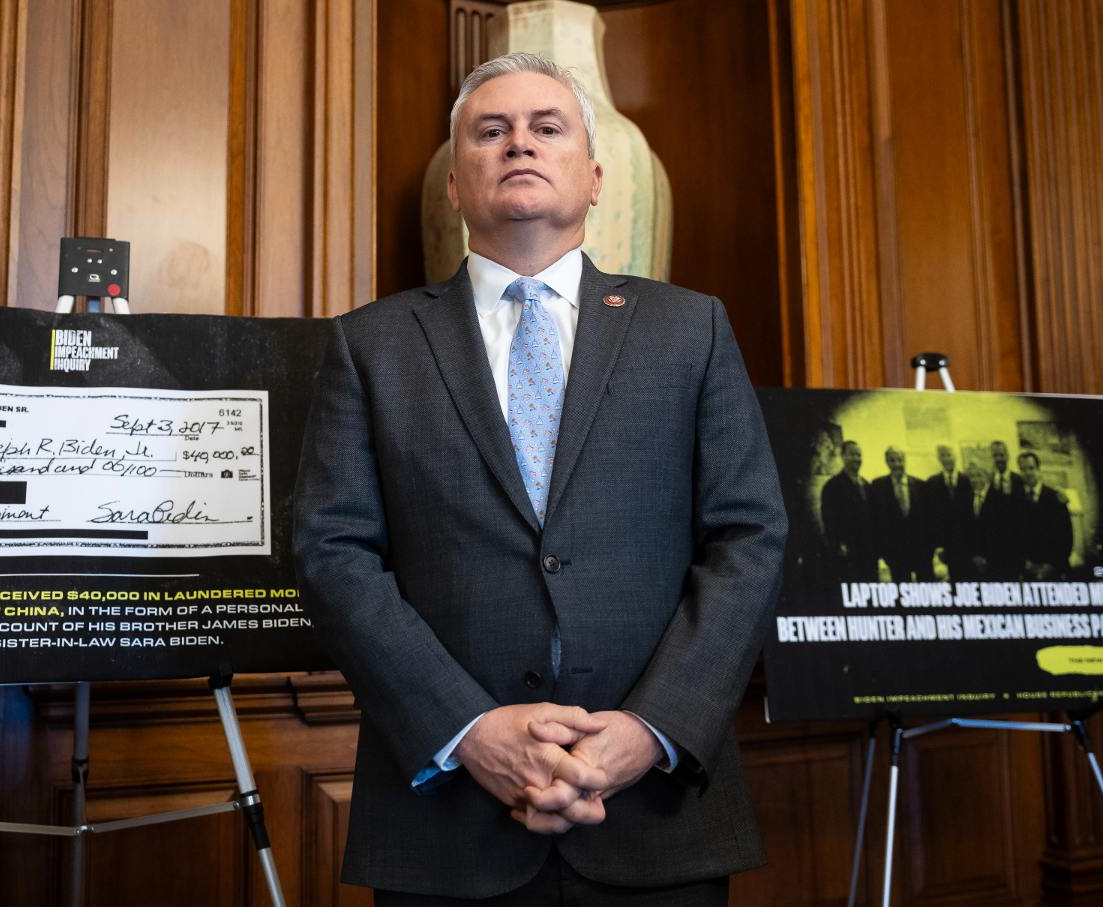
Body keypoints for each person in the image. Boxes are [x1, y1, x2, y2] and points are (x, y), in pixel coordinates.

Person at [293, 52, 787, 903]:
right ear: (455, 184)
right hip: (446, 816)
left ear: (594, 178)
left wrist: (652, 728)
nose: (519, 141)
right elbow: (332, 553)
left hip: (655, 812)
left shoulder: (690, 329)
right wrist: (470, 728)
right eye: (491, 131)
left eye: (546, 127)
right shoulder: (368, 346)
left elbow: (749, 536)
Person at [868, 447, 933, 581]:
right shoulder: (877, 486)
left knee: (928, 589)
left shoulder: (921, 485)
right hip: (895, 553)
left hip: (922, 551)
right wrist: (883, 552)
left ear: (905, 461)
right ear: (886, 462)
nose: (897, 464)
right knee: (902, 592)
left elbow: (929, 519)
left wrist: (931, 548)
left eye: (900, 460)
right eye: (892, 460)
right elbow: (874, 520)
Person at [820, 440, 876, 579]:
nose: (857, 459)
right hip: (848, 551)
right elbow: (829, 521)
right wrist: (839, 544)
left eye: (859, 455)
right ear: (842, 456)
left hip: (868, 549)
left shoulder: (866, 484)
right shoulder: (832, 486)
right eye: (852, 454)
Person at [1017, 451, 1073, 579]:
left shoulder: (1055, 497)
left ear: (1038, 469)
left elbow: (1066, 536)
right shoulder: (1016, 498)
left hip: (1053, 569)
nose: (1027, 473)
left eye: (1031, 468)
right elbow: (1014, 535)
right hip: (1027, 569)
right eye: (1023, 469)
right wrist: (1024, 563)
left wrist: (1051, 565)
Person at [923, 444, 972, 578]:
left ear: (955, 456)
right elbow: (930, 517)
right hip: (945, 545)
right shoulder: (931, 483)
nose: (947, 459)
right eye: (943, 456)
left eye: (949, 455)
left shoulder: (968, 480)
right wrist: (938, 545)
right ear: (939, 459)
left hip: (967, 543)